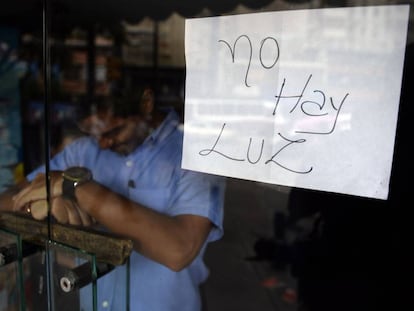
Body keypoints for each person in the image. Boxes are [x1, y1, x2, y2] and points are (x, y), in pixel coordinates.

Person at [0, 87, 226, 311]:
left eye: (113, 131)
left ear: (146, 103)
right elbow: (7, 200)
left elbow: (179, 250)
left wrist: (77, 189)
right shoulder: (82, 152)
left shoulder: (196, 154)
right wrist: (44, 206)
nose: (103, 144)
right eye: (95, 134)